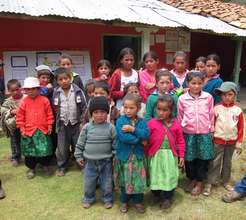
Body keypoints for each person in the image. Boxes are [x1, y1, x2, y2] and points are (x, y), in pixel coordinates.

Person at [203, 82, 244, 196]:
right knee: (215, 162)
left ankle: (225, 181)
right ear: (221, 95)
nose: (227, 97)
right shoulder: (216, 108)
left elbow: (240, 128)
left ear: (235, 95)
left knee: (227, 162)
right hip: (218, 140)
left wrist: (239, 142)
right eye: (224, 94)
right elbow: (212, 124)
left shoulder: (238, 110)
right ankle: (210, 182)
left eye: (230, 94)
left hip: (231, 141)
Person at [75, 96, 116, 209]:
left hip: (106, 161)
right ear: (91, 114)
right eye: (96, 112)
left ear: (107, 113)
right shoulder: (87, 127)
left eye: (102, 112)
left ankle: (107, 199)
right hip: (89, 162)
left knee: (107, 182)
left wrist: (114, 155)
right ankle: (88, 198)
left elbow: (115, 143)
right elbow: (80, 143)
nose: (99, 115)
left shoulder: (111, 128)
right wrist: (78, 156)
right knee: (89, 182)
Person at [178, 71, 214, 196]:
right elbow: (180, 116)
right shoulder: (182, 98)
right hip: (188, 133)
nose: (196, 86)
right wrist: (181, 132)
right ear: (188, 83)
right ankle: (192, 178)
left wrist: (211, 129)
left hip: (204, 132)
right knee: (189, 158)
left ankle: (199, 181)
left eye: (199, 83)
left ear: (203, 83)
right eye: (193, 83)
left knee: (203, 158)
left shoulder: (208, 97)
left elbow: (211, 114)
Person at [147, 95, 185, 209]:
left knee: (169, 175)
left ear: (171, 110)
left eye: (165, 110)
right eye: (159, 109)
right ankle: (156, 194)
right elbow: (146, 140)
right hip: (156, 155)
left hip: (170, 156)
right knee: (155, 174)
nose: (161, 113)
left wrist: (182, 156)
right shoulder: (151, 123)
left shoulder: (176, 124)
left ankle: (168, 197)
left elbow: (180, 141)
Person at [114, 93, 149, 214]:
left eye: (131, 108)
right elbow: (123, 137)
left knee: (138, 179)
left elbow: (146, 134)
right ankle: (124, 201)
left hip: (138, 157)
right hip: (125, 157)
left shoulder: (142, 121)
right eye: (125, 107)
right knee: (125, 179)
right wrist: (139, 140)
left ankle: (138, 201)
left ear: (138, 108)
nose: (128, 110)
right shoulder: (120, 121)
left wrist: (133, 129)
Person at [16, 77, 54, 179]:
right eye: (28, 89)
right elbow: (20, 117)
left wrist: (50, 125)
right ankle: (31, 168)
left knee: (44, 150)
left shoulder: (45, 100)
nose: (30, 91)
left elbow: (49, 114)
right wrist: (22, 129)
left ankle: (45, 166)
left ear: (38, 89)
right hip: (28, 132)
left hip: (42, 130)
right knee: (29, 152)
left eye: (33, 89)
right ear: (25, 90)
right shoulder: (24, 102)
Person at [53, 67, 87, 176]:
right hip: (63, 124)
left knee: (78, 145)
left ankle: (81, 164)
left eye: (66, 78)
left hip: (76, 124)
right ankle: (62, 166)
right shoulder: (56, 92)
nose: (64, 81)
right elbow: (54, 108)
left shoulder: (77, 90)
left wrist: (82, 121)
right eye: (60, 79)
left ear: (71, 78)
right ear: (57, 81)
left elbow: (84, 107)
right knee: (62, 147)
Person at [1, 79, 24, 166]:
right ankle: (15, 157)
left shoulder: (26, 98)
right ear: (9, 91)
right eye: (12, 90)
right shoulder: (7, 101)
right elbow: (3, 111)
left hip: (26, 125)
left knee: (27, 141)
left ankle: (28, 156)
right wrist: (11, 111)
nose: (15, 92)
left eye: (17, 89)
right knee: (14, 142)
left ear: (20, 88)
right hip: (14, 126)